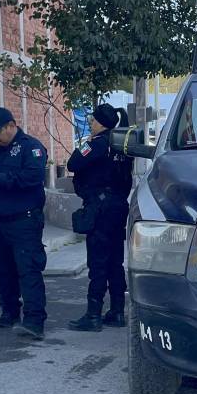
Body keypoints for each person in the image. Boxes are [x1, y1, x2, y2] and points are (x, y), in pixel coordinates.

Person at [0, 107, 48, 340]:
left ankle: (34, 320)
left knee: (28, 270)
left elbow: (34, 177)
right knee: (2, 269)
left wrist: (0, 179)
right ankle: (9, 312)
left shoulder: (31, 147)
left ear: (11, 125)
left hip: (24, 220)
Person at [66, 103, 133, 332]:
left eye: (93, 121)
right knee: (115, 261)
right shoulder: (122, 144)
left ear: (100, 123)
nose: (91, 124)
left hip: (101, 208)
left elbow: (73, 163)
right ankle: (116, 311)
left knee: (98, 261)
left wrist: (86, 145)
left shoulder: (98, 144)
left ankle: (93, 315)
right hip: (118, 207)